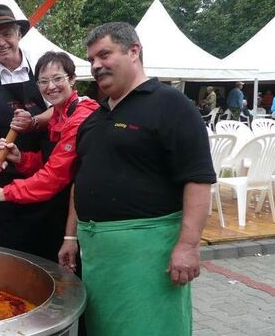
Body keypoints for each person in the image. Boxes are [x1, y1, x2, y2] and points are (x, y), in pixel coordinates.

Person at [71, 22, 215, 335]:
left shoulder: (171, 105)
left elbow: (198, 179)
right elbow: (79, 179)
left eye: (104, 54)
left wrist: (188, 245)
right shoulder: (94, 119)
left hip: (149, 255)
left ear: (134, 51)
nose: (96, 65)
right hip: (97, 255)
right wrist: (71, 237)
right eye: (91, 59)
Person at [0, 51, 99, 266]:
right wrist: (21, 158)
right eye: (43, 81)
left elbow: (54, 175)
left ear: (72, 79)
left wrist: (4, 193)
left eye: (58, 78)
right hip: (58, 204)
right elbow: (49, 160)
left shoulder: (80, 116)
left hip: (83, 211)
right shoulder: (59, 113)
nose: (51, 86)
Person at [0, 4, 56, 261]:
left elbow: (61, 108)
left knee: (48, 250)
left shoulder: (42, 65)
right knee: (7, 255)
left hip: (46, 172)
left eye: (6, 34)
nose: (1, 42)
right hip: (6, 179)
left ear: (19, 34)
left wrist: (34, 121)